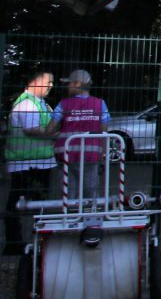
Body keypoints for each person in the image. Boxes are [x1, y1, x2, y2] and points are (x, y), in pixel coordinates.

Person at [5, 71, 58, 255]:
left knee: (34, 203)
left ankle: (32, 242)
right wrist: (57, 135)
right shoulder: (28, 103)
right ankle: (17, 244)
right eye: (47, 82)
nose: (51, 86)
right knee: (23, 204)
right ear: (34, 82)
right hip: (28, 163)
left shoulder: (41, 103)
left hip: (38, 161)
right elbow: (32, 129)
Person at [51, 69, 111, 200]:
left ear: (77, 84)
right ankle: (90, 216)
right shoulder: (101, 104)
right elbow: (104, 131)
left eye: (70, 83)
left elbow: (51, 128)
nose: (67, 86)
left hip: (66, 154)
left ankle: (69, 217)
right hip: (91, 155)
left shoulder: (63, 104)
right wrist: (103, 153)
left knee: (68, 193)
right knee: (90, 192)